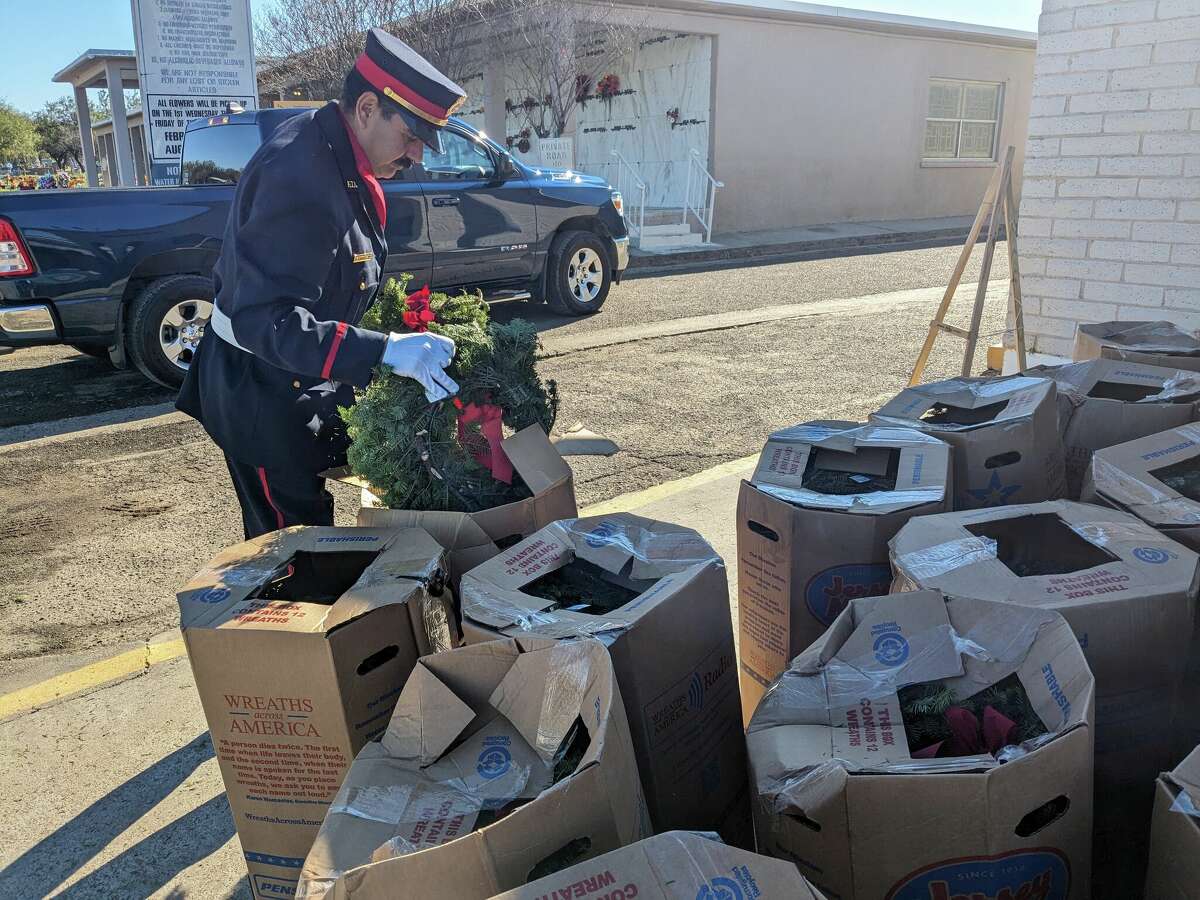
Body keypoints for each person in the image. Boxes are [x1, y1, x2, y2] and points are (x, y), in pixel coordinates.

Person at [178, 29, 468, 539]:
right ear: (367, 107)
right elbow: (264, 318)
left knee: (321, 543)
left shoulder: (337, 151)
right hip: (262, 396)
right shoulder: (299, 173)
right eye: (411, 136)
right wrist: (383, 352)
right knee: (298, 551)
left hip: (298, 380)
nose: (418, 155)